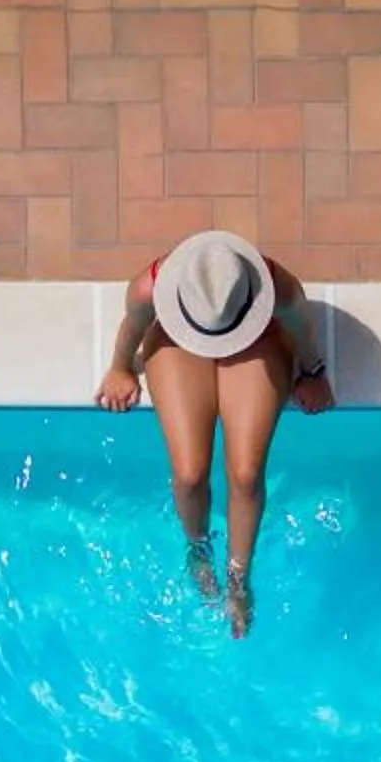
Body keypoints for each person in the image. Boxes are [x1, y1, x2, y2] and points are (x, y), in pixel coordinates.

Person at [95, 231, 334, 635]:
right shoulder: (147, 288)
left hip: (258, 340)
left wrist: (312, 373)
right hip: (177, 342)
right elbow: (132, 328)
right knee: (189, 473)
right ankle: (198, 551)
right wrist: (120, 368)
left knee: (245, 473)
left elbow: (303, 332)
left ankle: (239, 579)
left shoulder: (279, 289)